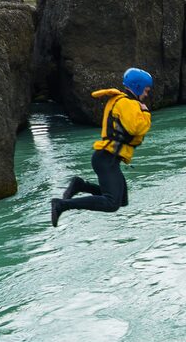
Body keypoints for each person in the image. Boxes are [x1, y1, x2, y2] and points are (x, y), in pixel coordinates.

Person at [50, 67, 153, 227]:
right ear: (138, 87)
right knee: (112, 203)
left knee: (121, 200)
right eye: (146, 90)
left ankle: (80, 185)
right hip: (106, 159)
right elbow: (136, 127)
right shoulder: (128, 103)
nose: (147, 95)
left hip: (108, 158)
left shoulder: (122, 101)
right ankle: (61, 205)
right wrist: (145, 113)